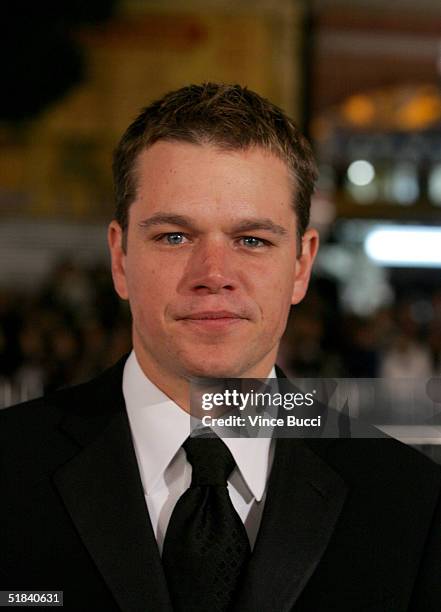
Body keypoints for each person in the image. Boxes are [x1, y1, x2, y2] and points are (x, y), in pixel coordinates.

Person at [1, 83, 440, 612]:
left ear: (301, 265)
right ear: (120, 257)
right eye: (174, 237)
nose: (213, 275)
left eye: (252, 240)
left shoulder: (412, 503)